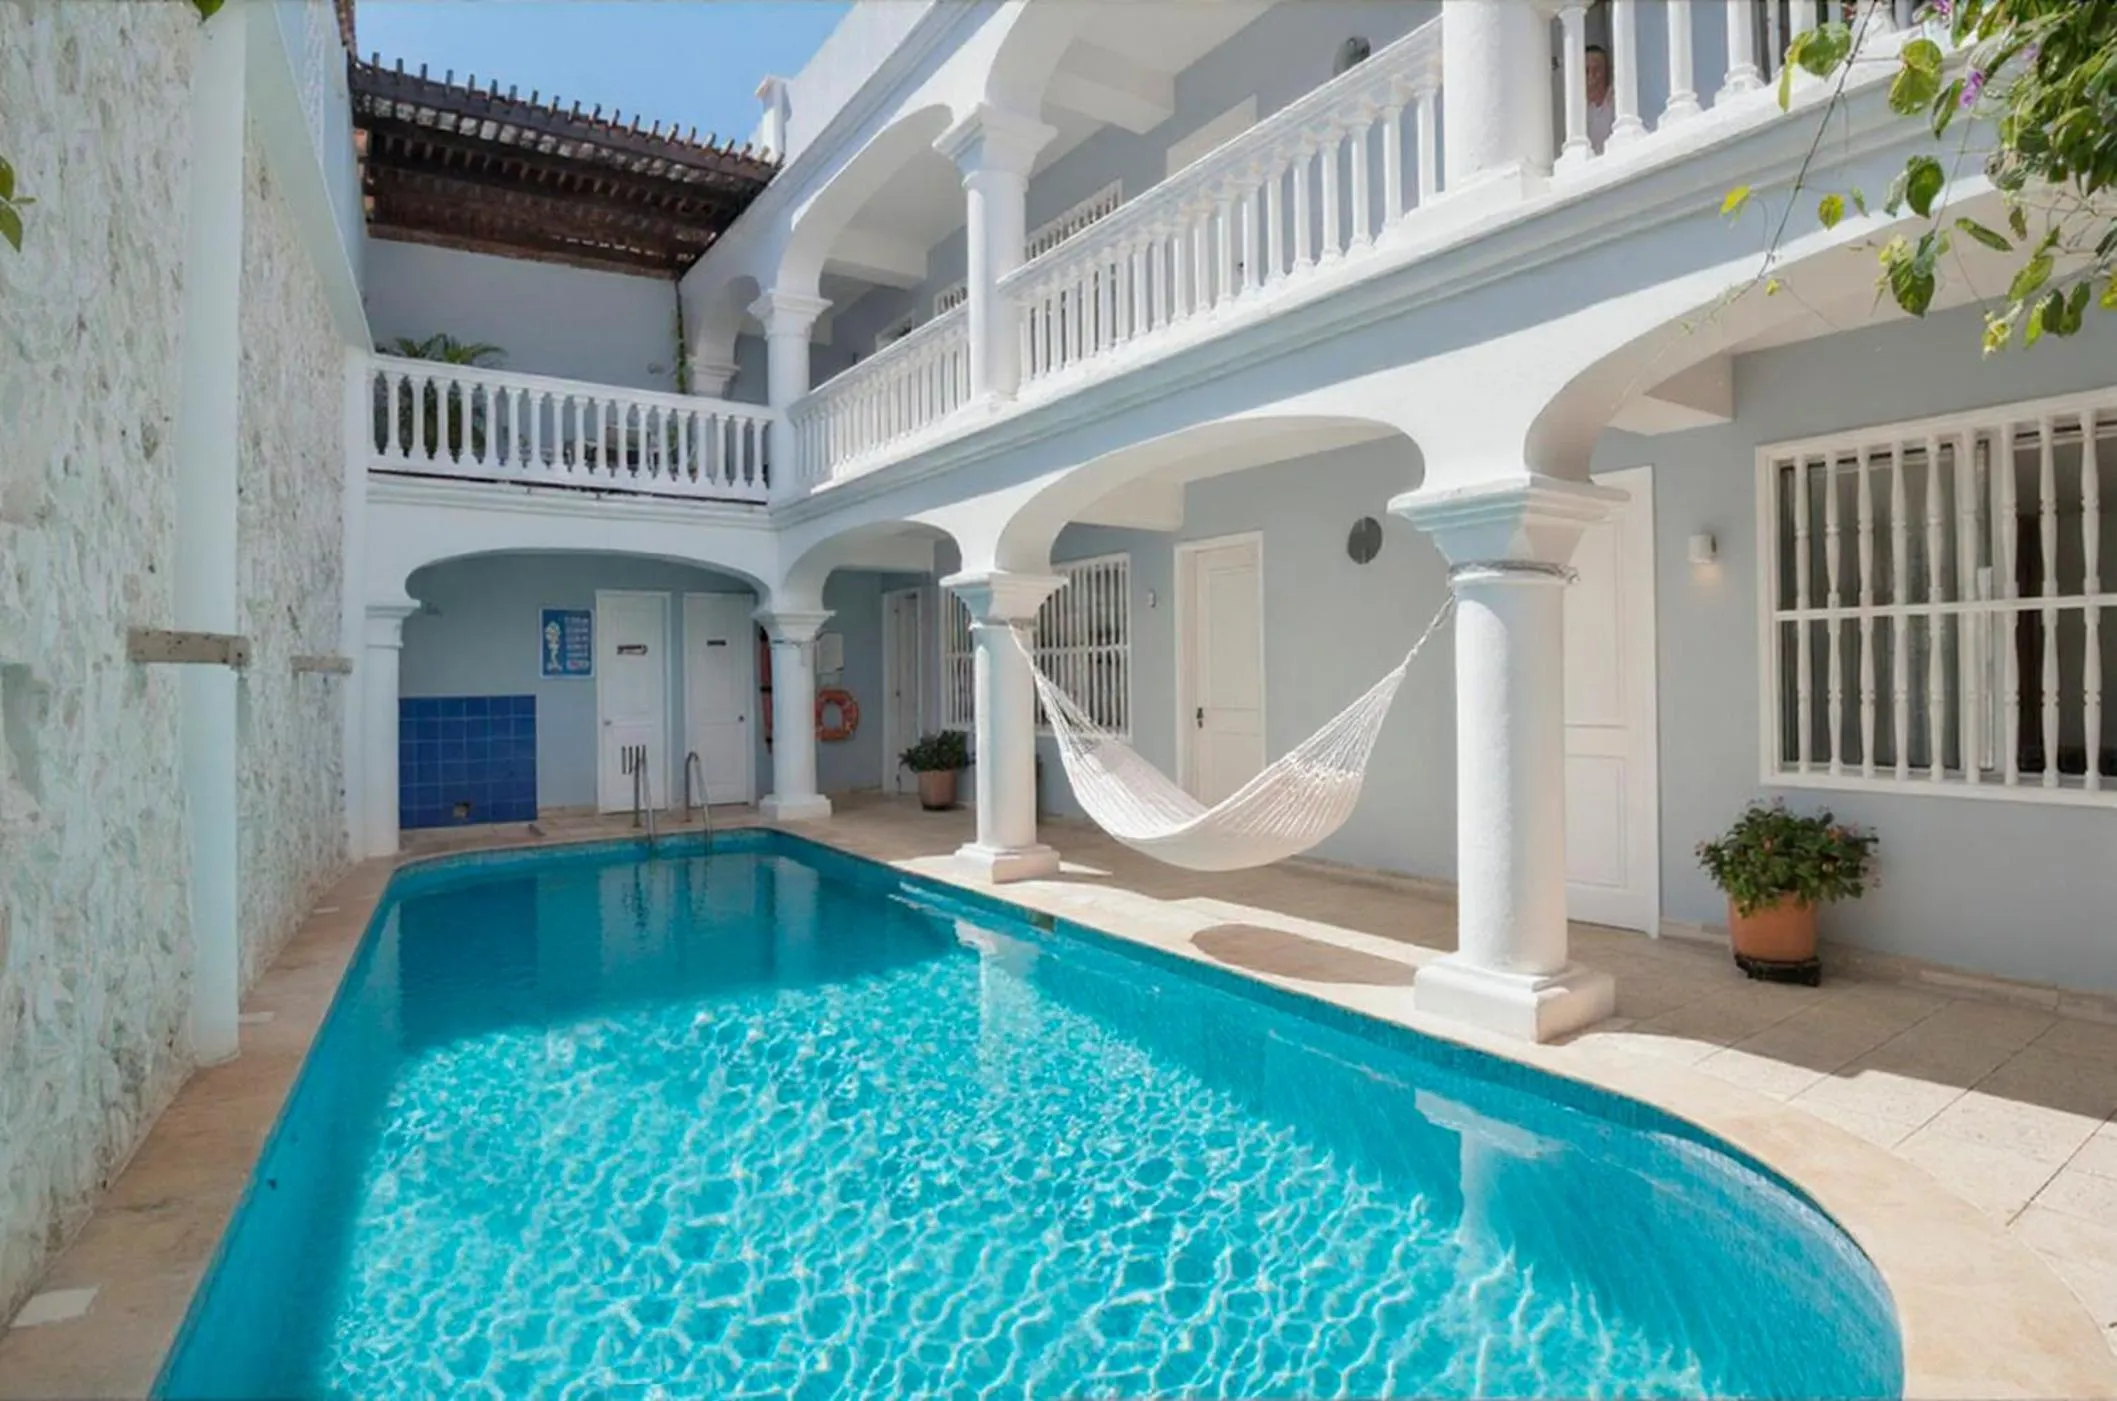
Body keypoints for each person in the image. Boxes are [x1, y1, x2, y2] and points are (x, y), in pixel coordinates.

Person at [1586, 43, 1615, 154]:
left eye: (1597, 70)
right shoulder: (1580, 114)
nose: (1591, 76)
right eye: (1587, 71)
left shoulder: (1617, 104)